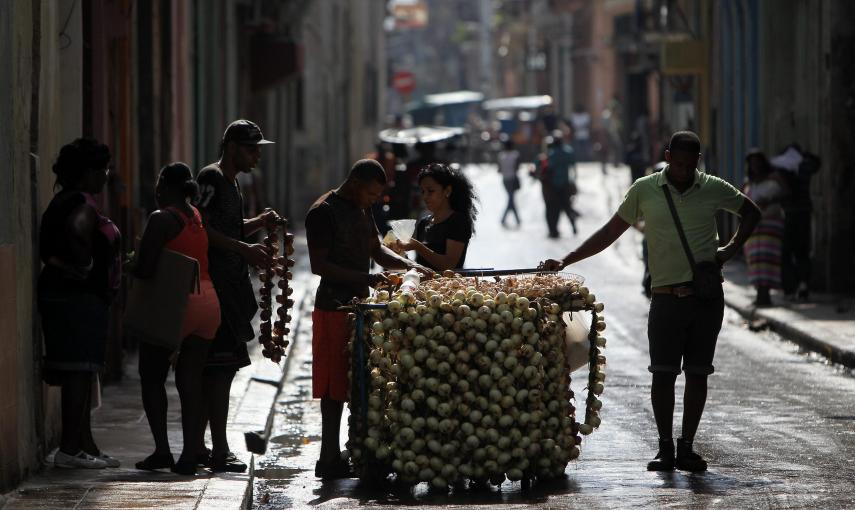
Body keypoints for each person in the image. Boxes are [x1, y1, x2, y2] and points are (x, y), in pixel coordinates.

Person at [540, 131, 761, 472]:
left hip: (706, 299)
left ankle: (687, 447)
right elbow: (610, 232)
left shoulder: (713, 187)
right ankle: (665, 448)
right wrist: (568, 260)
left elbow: (751, 213)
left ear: (698, 162)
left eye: (691, 165)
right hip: (665, 299)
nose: (685, 170)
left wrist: (728, 251)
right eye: (679, 163)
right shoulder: (644, 189)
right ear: (668, 155)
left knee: (698, 374)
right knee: (663, 374)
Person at [305, 159, 433, 480]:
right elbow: (319, 266)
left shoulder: (362, 209)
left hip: (360, 307)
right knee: (332, 388)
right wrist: (366, 277)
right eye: (372, 193)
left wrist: (410, 267)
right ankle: (328, 456)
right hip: (333, 307)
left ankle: (356, 451)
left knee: (359, 383)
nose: (375, 200)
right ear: (356, 184)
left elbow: (377, 250)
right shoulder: (323, 212)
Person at [194, 119, 282, 473]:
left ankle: (204, 446)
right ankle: (218, 449)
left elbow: (228, 229)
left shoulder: (234, 184)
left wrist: (259, 222)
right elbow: (202, 227)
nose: (257, 156)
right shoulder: (212, 177)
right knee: (218, 371)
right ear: (231, 147)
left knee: (221, 371)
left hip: (232, 288)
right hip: (215, 287)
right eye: (251, 148)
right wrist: (243, 250)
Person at [37, 138, 121, 469]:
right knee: (77, 370)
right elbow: (77, 230)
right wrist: (85, 266)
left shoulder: (66, 200)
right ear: (86, 173)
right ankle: (70, 448)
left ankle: (85, 444)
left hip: (75, 297)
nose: (106, 175)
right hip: (76, 300)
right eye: (102, 169)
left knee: (84, 371)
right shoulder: (81, 204)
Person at [133, 163, 221, 475]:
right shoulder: (196, 215)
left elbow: (145, 268)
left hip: (177, 303)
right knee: (190, 382)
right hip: (208, 303)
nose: (156, 190)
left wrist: (129, 262)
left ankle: (162, 451)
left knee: (152, 375)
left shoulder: (161, 219)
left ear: (168, 188)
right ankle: (189, 455)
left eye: (159, 184)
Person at [397, 163, 478, 271]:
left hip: (449, 286)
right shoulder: (424, 223)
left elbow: (448, 265)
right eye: (422, 191)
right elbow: (421, 265)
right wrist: (400, 254)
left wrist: (418, 247)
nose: (425, 197)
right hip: (423, 286)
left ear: (447, 191)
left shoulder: (457, 221)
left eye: (430, 191)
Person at [742, 150, 788, 306]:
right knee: (755, 259)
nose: (755, 165)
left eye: (757, 161)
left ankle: (765, 294)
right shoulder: (748, 183)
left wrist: (769, 200)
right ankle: (760, 294)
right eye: (752, 162)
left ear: (763, 162)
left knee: (768, 258)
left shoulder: (774, 178)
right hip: (753, 227)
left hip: (771, 224)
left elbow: (786, 193)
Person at [535, 130, 579, 238]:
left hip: (553, 186)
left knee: (553, 209)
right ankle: (573, 226)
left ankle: (553, 230)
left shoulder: (550, 154)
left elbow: (546, 169)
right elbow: (573, 166)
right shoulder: (568, 152)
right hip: (565, 184)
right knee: (567, 207)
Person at [497, 137, 522, 227]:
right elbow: (517, 168)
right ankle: (504, 219)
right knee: (511, 200)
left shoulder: (501, 155)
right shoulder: (515, 155)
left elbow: (499, 169)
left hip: (505, 180)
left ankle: (517, 220)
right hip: (512, 179)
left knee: (511, 199)